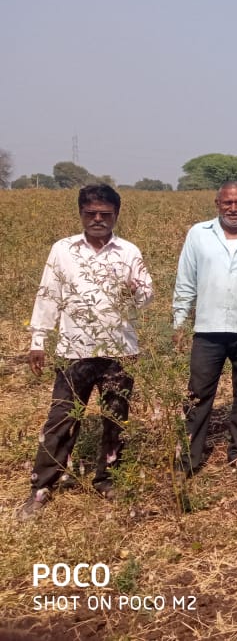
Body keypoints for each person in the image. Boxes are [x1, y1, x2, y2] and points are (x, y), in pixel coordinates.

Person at [18, 184, 154, 520]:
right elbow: (48, 294)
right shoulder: (63, 250)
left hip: (119, 351)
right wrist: (38, 339)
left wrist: (136, 290)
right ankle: (41, 487)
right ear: (80, 213)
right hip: (73, 351)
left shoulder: (128, 251)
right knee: (61, 419)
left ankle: (108, 480)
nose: (97, 219)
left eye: (105, 214)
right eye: (90, 213)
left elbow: (147, 296)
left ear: (116, 215)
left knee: (115, 419)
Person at [172, 181, 237, 475]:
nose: (233, 208)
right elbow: (186, 280)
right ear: (217, 204)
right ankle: (189, 456)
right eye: (227, 202)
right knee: (198, 393)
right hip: (208, 329)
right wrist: (179, 323)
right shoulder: (199, 234)